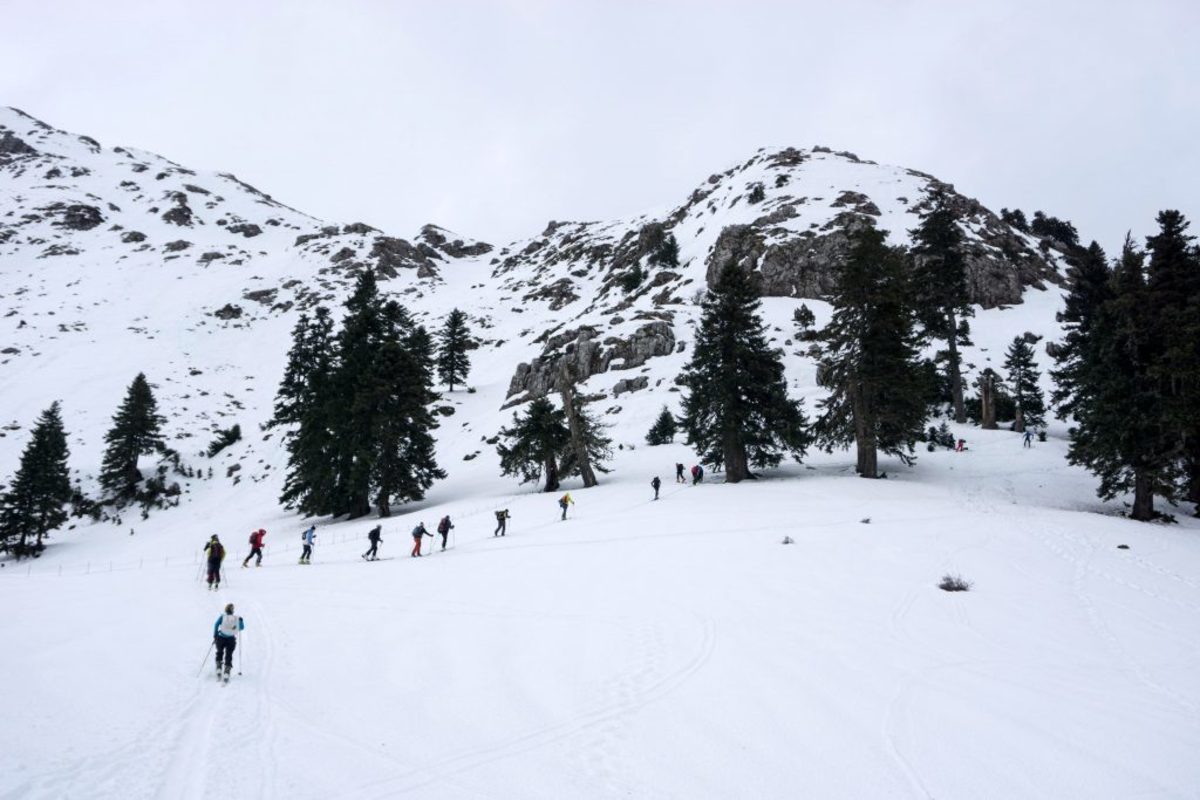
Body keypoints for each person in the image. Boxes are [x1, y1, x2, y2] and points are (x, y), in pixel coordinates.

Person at [212, 602, 244, 681]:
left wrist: (215, 635)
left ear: (226, 610)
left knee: (219, 651)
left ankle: (219, 667)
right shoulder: (236, 618)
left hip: (221, 638)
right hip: (231, 639)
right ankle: (227, 671)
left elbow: (216, 624)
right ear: (233, 610)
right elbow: (241, 628)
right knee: (229, 654)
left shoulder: (222, 617)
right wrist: (241, 621)